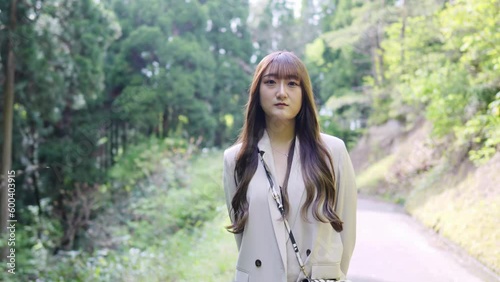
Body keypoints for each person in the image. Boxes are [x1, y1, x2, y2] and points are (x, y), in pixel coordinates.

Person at [223, 51, 357, 282]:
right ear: (257, 92)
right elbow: (245, 238)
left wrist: (332, 274)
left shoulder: (332, 151)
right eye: (271, 82)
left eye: (292, 83)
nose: (281, 92)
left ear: (304, 93)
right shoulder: (236, 158)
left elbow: (346, 230)